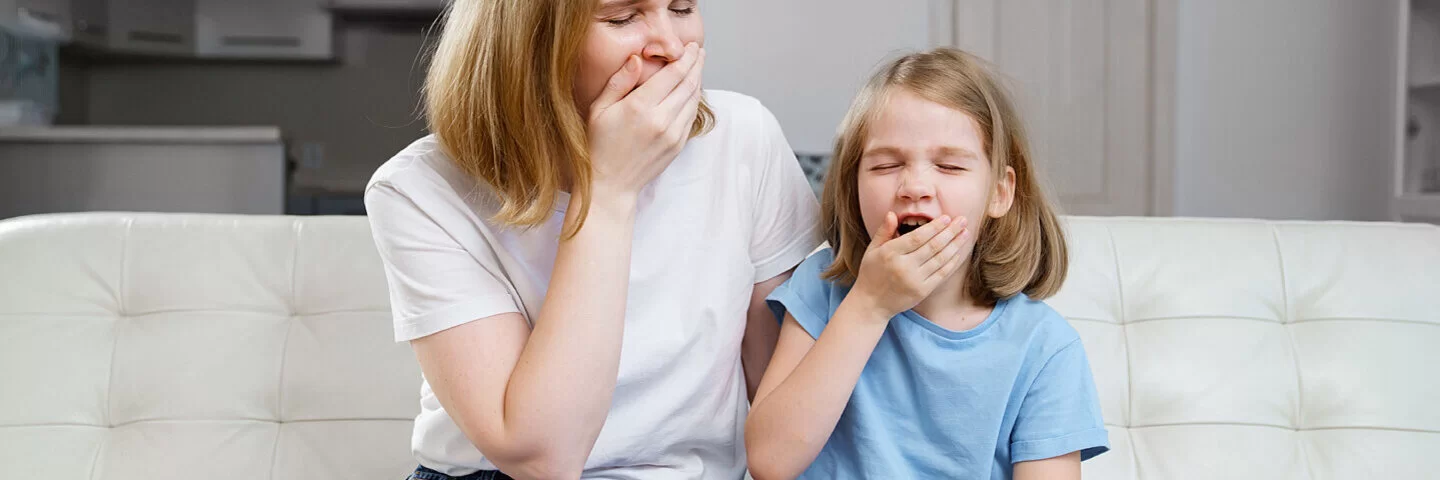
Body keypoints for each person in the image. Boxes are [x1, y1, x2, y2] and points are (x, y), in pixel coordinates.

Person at [363, 1, 820, 478]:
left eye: (682, 7)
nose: (672, 45)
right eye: (623, 18)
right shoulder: (418, 188)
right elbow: (542, 457)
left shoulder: (745, 137)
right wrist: (609, 191)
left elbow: (783, 410)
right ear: (530, 42)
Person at [744, 48, 1109, 480]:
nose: (914, 186)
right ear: (853, 185)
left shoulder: (1045, 348)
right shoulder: (820, 290)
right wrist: (868, 307)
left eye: (949, 165)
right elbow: (769, 461)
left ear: (1000, 193)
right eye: (886, 164)